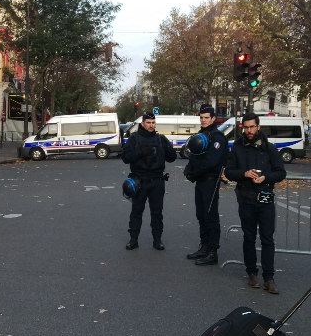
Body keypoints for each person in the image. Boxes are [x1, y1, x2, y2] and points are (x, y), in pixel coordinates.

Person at [224, 112, 286, 294]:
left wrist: (266, 177)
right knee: (249, 238)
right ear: (242, 128)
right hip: (246, 198)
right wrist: (244, 173)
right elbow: (228, 172)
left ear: (258, 127)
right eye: (246, 127)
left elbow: (281, 172)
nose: (249, 130)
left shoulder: (269, 148)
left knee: (267, 238)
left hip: (265, 198)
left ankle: (269, 278)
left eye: (252, 127)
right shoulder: (237, 148)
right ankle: (252, 273)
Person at [121, 112, 176, 250]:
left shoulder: (161, 139)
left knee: (157, 212)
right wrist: (140, 153)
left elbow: (172, 158)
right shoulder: (134, 139)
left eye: (153, 123)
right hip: (140, 180)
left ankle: (157, 240)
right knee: (136, 211)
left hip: (157, 180)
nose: (151, 125)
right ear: (143, 124)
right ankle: (133, 240)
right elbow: (125, 157)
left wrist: (168, 148)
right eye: (148, 123)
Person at [184, 104, 229, 266]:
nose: (203, 120)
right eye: (201, 118)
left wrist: (194, 172)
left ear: (213, 119)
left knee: (211, 216)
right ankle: (204, 247)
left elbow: (212, 162)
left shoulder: (217, 137)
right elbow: (194, 156)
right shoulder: (201, 134)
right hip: (201, 181)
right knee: (201, 215)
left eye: (206, 118)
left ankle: (213, 252)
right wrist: (189, 170)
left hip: (211, 180)